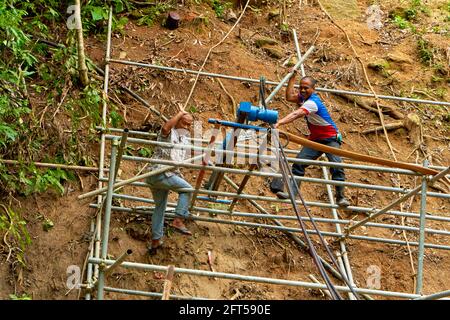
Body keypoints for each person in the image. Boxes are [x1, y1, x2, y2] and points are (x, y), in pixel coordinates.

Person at [271, 72, 350, 207]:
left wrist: (279, 123)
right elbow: (289, 97)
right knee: (299, 163)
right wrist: (292, 79)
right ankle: (292, 194)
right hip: (315, 140)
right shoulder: (302, 98)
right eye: (301, 87)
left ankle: (341, 197)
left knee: (336, 165)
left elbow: (297, 114)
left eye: (306, 88)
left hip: (330, 138)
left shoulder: (313, 102)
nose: (302, 90)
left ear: (313, 89)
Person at [146, 110, 194, 255]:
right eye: (184, 123)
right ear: (177, 121)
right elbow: (165, 128)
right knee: (187, 189)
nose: (186, 127)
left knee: (160, 207)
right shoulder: (169, 132)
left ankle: (156, 240)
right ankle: (178, 219)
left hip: (166, 175)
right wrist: (180, 113)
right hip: (159, 172)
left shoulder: (184, 140)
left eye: (189, 125)